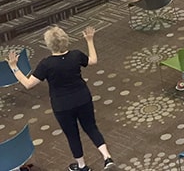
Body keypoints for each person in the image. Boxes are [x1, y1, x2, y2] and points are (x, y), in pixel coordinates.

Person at [7, 26, 115, 171]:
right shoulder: (76, 55)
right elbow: (93, 60)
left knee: (72, 135)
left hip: (62, 105)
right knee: (91, 127)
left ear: (48, 44)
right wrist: (89, 40)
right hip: (83, 97)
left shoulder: (46, 64)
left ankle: (82, 166)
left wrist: (14, 67)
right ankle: (107, 157)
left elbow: (28, 84)